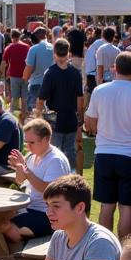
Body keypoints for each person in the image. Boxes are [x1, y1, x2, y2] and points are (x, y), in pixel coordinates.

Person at [85, 52, 131, 240]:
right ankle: (126, 250)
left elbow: (90, 124)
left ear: (115, 68)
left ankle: (105, 247)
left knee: (106, 206)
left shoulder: (100, 91)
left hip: (105, 153)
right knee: (127, 207)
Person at [1, 119, 71, 245]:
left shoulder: (55, 160)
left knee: (4, 226)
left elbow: (48, 191)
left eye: (32, 142)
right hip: (31, 208)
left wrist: (26, 170)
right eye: (26, 142)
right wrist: (19, 166)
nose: (28, 146)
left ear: (45, 139)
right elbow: (19, 180)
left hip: (50, 215)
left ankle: (18, 252)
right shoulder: (33, 155)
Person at [36, 37, 84, 165]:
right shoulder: (75, 73)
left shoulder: (50, 73)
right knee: (70, 154)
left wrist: (38, 117)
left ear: (54, 53)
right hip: (71, 119)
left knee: (54, 154)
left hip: (54, 120)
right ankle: (71, 179)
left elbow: (41, 99)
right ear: (68, 53)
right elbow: (80, 98)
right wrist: (80, 118)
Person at [23, 29, 54, 114]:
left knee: (33, 114)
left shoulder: (33, 49)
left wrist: (24, 81)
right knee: (48, 113)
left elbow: (29, 68)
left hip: (35, 84)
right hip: (51, 84)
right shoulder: (53, 47)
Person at [2, 29, 30, 119]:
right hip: (26, 74)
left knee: (14, 97)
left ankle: (12, 117)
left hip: (14, 75)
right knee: (25, 98)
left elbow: (4, 62)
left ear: (11, 37)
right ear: (20, 36)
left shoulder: (9, 47)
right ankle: (25, 116)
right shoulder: (27, 47)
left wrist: (3, 74)